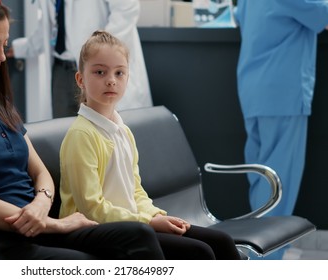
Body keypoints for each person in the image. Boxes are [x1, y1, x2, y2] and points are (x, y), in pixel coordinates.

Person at [0, 0, 165, 260]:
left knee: (141, 236)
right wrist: (51, 223)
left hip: (40, 225)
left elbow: (40, 171)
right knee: (127, 242)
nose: (2, 56)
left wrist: (42, 203)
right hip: (1, 240)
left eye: (4, 45)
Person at [59, 30, 241, 260]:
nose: (111, 80)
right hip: (94, 230)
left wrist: (156, 215)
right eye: (99, 72)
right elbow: (91, 208)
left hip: (133, 223)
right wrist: (148, 221)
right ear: (80, 79)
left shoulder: (123, 131)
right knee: (200, 252)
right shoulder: (82, 135)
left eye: (119, 72)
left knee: (221, 241)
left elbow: (136, 191)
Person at [235, 2, 328, 217]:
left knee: (262, 177)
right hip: (283, 90)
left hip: (253, 87)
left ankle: (259, 246)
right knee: (279, 180)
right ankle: (269, 249)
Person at [8, 0, 152, 118]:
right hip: (62, 71)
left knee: (102, 132)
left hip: (98, 69)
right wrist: (20, 47)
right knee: (63, 132)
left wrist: (100, 50)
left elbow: (126, 10)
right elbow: (51, 27)